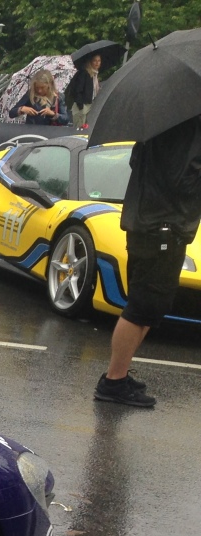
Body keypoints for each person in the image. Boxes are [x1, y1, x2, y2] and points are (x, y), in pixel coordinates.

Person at [95, 116, 201, 408]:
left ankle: (119, 374)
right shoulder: (188, 126)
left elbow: (138, 163)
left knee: (149, 305)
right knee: (143, 306)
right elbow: (183, 178)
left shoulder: (159, 122)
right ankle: (114, 381)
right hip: (163, 224)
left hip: (149, 221)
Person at [67, 53, 102, 129]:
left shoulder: (95, 75)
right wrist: (81, 106)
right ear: (90, 62)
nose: (97, 63)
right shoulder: (84, 73)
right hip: (82, 106)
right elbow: (78, 90)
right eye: (94, 61)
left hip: (90, 105)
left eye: (99, 61)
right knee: (79, 129)